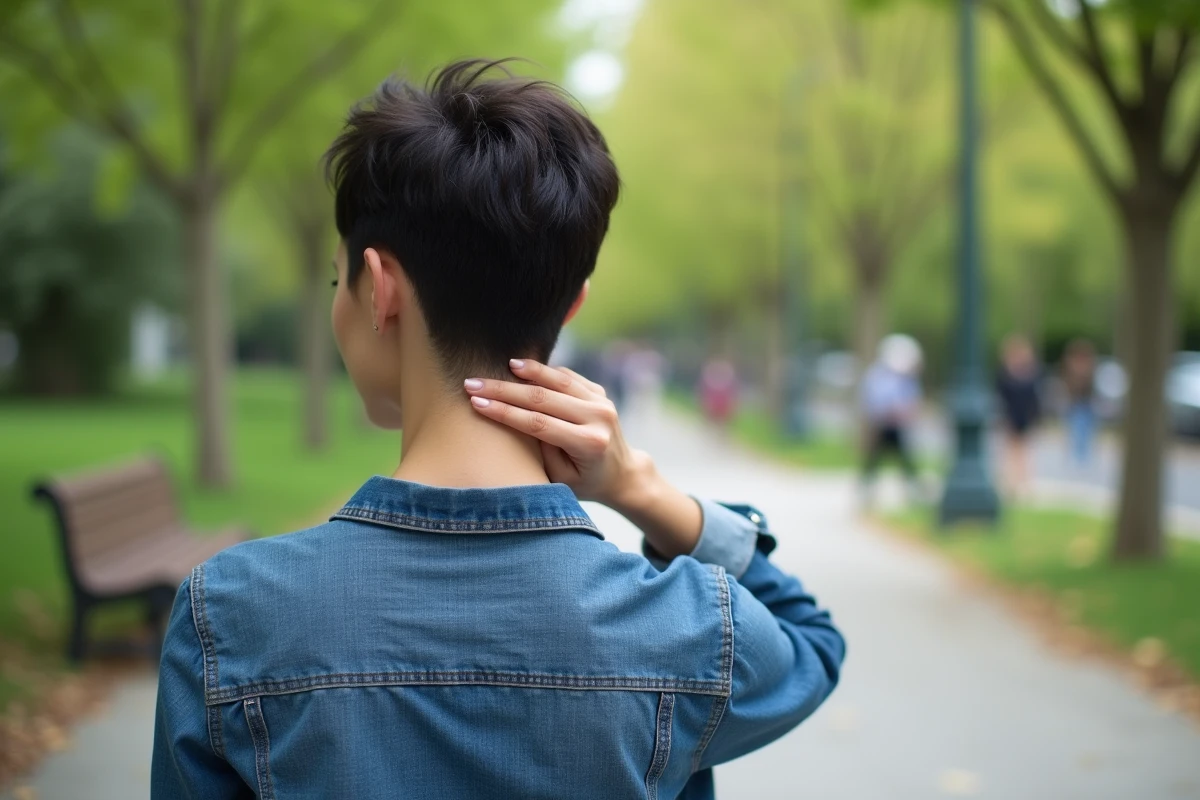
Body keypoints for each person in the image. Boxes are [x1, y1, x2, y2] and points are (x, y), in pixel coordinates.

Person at [151, 60, 844, 800]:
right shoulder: (689, 627)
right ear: (572, 306)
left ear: (379, 290)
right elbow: (811, 645)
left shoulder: (231, 616)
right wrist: (642, 491)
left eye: (335, 280)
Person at [858, 334, 923, 506]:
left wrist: (907, 412)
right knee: (873, 460)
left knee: (906, 460)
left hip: (899, 426)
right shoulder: (877, 375)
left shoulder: (907, 378)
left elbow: (912, 400)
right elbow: (872, 400)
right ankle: (866, 491)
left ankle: (913, 491)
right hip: (880, 425)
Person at [995, 334, 1042, 497]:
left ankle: (1024, 482)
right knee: (1010, 451)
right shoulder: (1005, 375)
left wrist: (1035, 417)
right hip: (1011, 417)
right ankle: (1010, 483)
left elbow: (1034, 399)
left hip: (1025, 417)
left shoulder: (1030, 374)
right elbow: (1001, 396)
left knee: (1024, 452)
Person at [1061, 338, 1097, 466]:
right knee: (1075, 428)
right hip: (1074, 403)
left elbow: (1090, 387)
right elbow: (1069, 386)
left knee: (1085, 430)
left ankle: (1083, 456)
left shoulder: (1090, 368)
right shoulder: (1072, 368)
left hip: (1086, 403)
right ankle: (1076, 455)